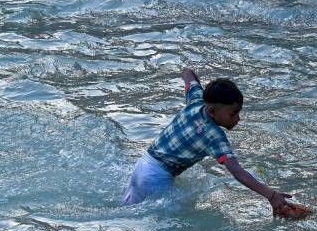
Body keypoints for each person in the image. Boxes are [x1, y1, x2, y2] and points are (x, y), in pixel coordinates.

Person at [122, 68, 295, 215]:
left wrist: (206, 87)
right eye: (233, 113)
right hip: (156, 178)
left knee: (128, 212)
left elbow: (187, 73)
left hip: (143, 165)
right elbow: (237, 171)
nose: (238, 119)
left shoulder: (196, 101)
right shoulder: (214, 136)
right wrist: (271, 195)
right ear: (212, 111)